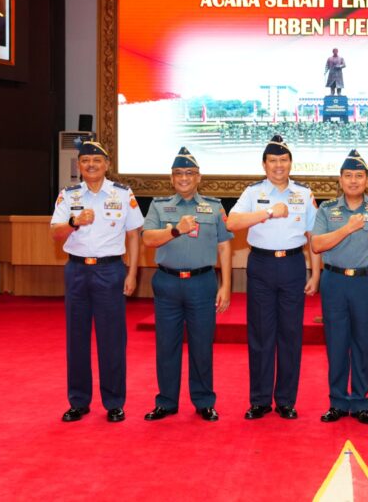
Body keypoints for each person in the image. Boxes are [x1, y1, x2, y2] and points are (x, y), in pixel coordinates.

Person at [226, 135, 322, 420]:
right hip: (261, 266)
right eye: (273, 161)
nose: (278, 166)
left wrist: (315, 274)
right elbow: (232, 223)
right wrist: (267, 212)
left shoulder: (304, 194)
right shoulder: (253, 192)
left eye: (283, 160)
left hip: (293, 265)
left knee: (291, 335)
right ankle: (259, 400)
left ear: (291, 163)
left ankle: (285, 400)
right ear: (264, 164)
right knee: (260, 334)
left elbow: (313, 237)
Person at [50, 136, 143, 423]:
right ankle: (78, 401)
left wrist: (132, 272)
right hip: (77, 270)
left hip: (110, 270)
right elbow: (55, 232)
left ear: (107, 165)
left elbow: (134, 235)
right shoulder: (69, 195)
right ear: (79, 165)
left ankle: (114, 402)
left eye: (97, 161)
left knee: (112, 338)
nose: (91, 165)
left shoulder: (122, 194)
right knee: (76, 338)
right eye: (86, 161)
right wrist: (74, 222)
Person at [141, 148, 233, 422]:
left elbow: (225, 246)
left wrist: (226, 285)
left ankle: (204, 401)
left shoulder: (214, 207)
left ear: (198, 177)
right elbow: (148, 239)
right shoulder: (159, 206)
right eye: (178, 173)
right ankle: (166, 402)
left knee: (202, 345)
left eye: (189, 173)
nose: (184, 178)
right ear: (171, 178)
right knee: (166, 345)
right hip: (167, 283)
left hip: (202, 283)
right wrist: (176, 229)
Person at [311, 150, 368, 425]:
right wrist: (347, 229)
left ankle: (361, 402)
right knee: (336, 344)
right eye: (348, 176)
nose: (353, 181)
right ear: (340, 180)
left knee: (363, 344)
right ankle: (337, 401)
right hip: (335, 282)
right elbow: (317, 245)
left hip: (367, 283)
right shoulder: (327, 210)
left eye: (359, 176)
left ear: (367, 180)